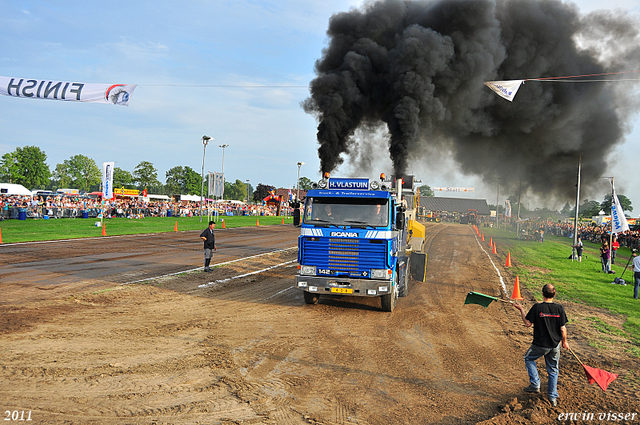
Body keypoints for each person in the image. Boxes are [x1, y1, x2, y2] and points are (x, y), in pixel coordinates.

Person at [513, 284, 569, 407]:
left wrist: (521, 310)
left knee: (528, 358)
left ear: (542, 294)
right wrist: (564, 342)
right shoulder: (559, 308)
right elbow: (563, 329)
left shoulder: (537, 308)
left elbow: (527, 324)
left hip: (540, 345)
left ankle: (535, 385)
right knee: (553, 370)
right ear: (554, 295)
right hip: (555, 346)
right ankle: (553, 397)